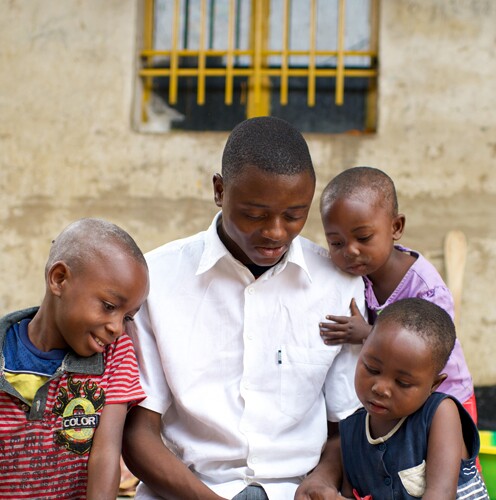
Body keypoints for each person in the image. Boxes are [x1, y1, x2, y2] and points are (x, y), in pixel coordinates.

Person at [122, 116, 366, 500]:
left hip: (295, 491)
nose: (275, 232)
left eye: (294, 215)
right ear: (219, 190)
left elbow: (347, 423)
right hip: (187, 490)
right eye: (254, 214)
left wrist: (323, 478)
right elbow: (138, 433)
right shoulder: (157, 279)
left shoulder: (339, 284)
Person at [0, 218, 149, 499]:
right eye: (108, 306)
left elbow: (105, 457)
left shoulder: (115, 356)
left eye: (127, 317)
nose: (117, 327)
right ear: (59, 279)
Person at [318, 166, 477, 423]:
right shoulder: (355, 276)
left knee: (451, 460)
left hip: (444, 399)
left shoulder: (426, 290)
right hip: (396, 397)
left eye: (363, 237)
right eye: (336, 242)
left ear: (396, 226)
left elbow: (428, 351)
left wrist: (366, 334)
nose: (350, 251)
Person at [338, 298, 488, 499]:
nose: (381, 388)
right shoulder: (351, 430)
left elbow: (441, 494)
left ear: (433, 385)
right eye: (372, 369)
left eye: (403, 383)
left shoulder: (440, 414)